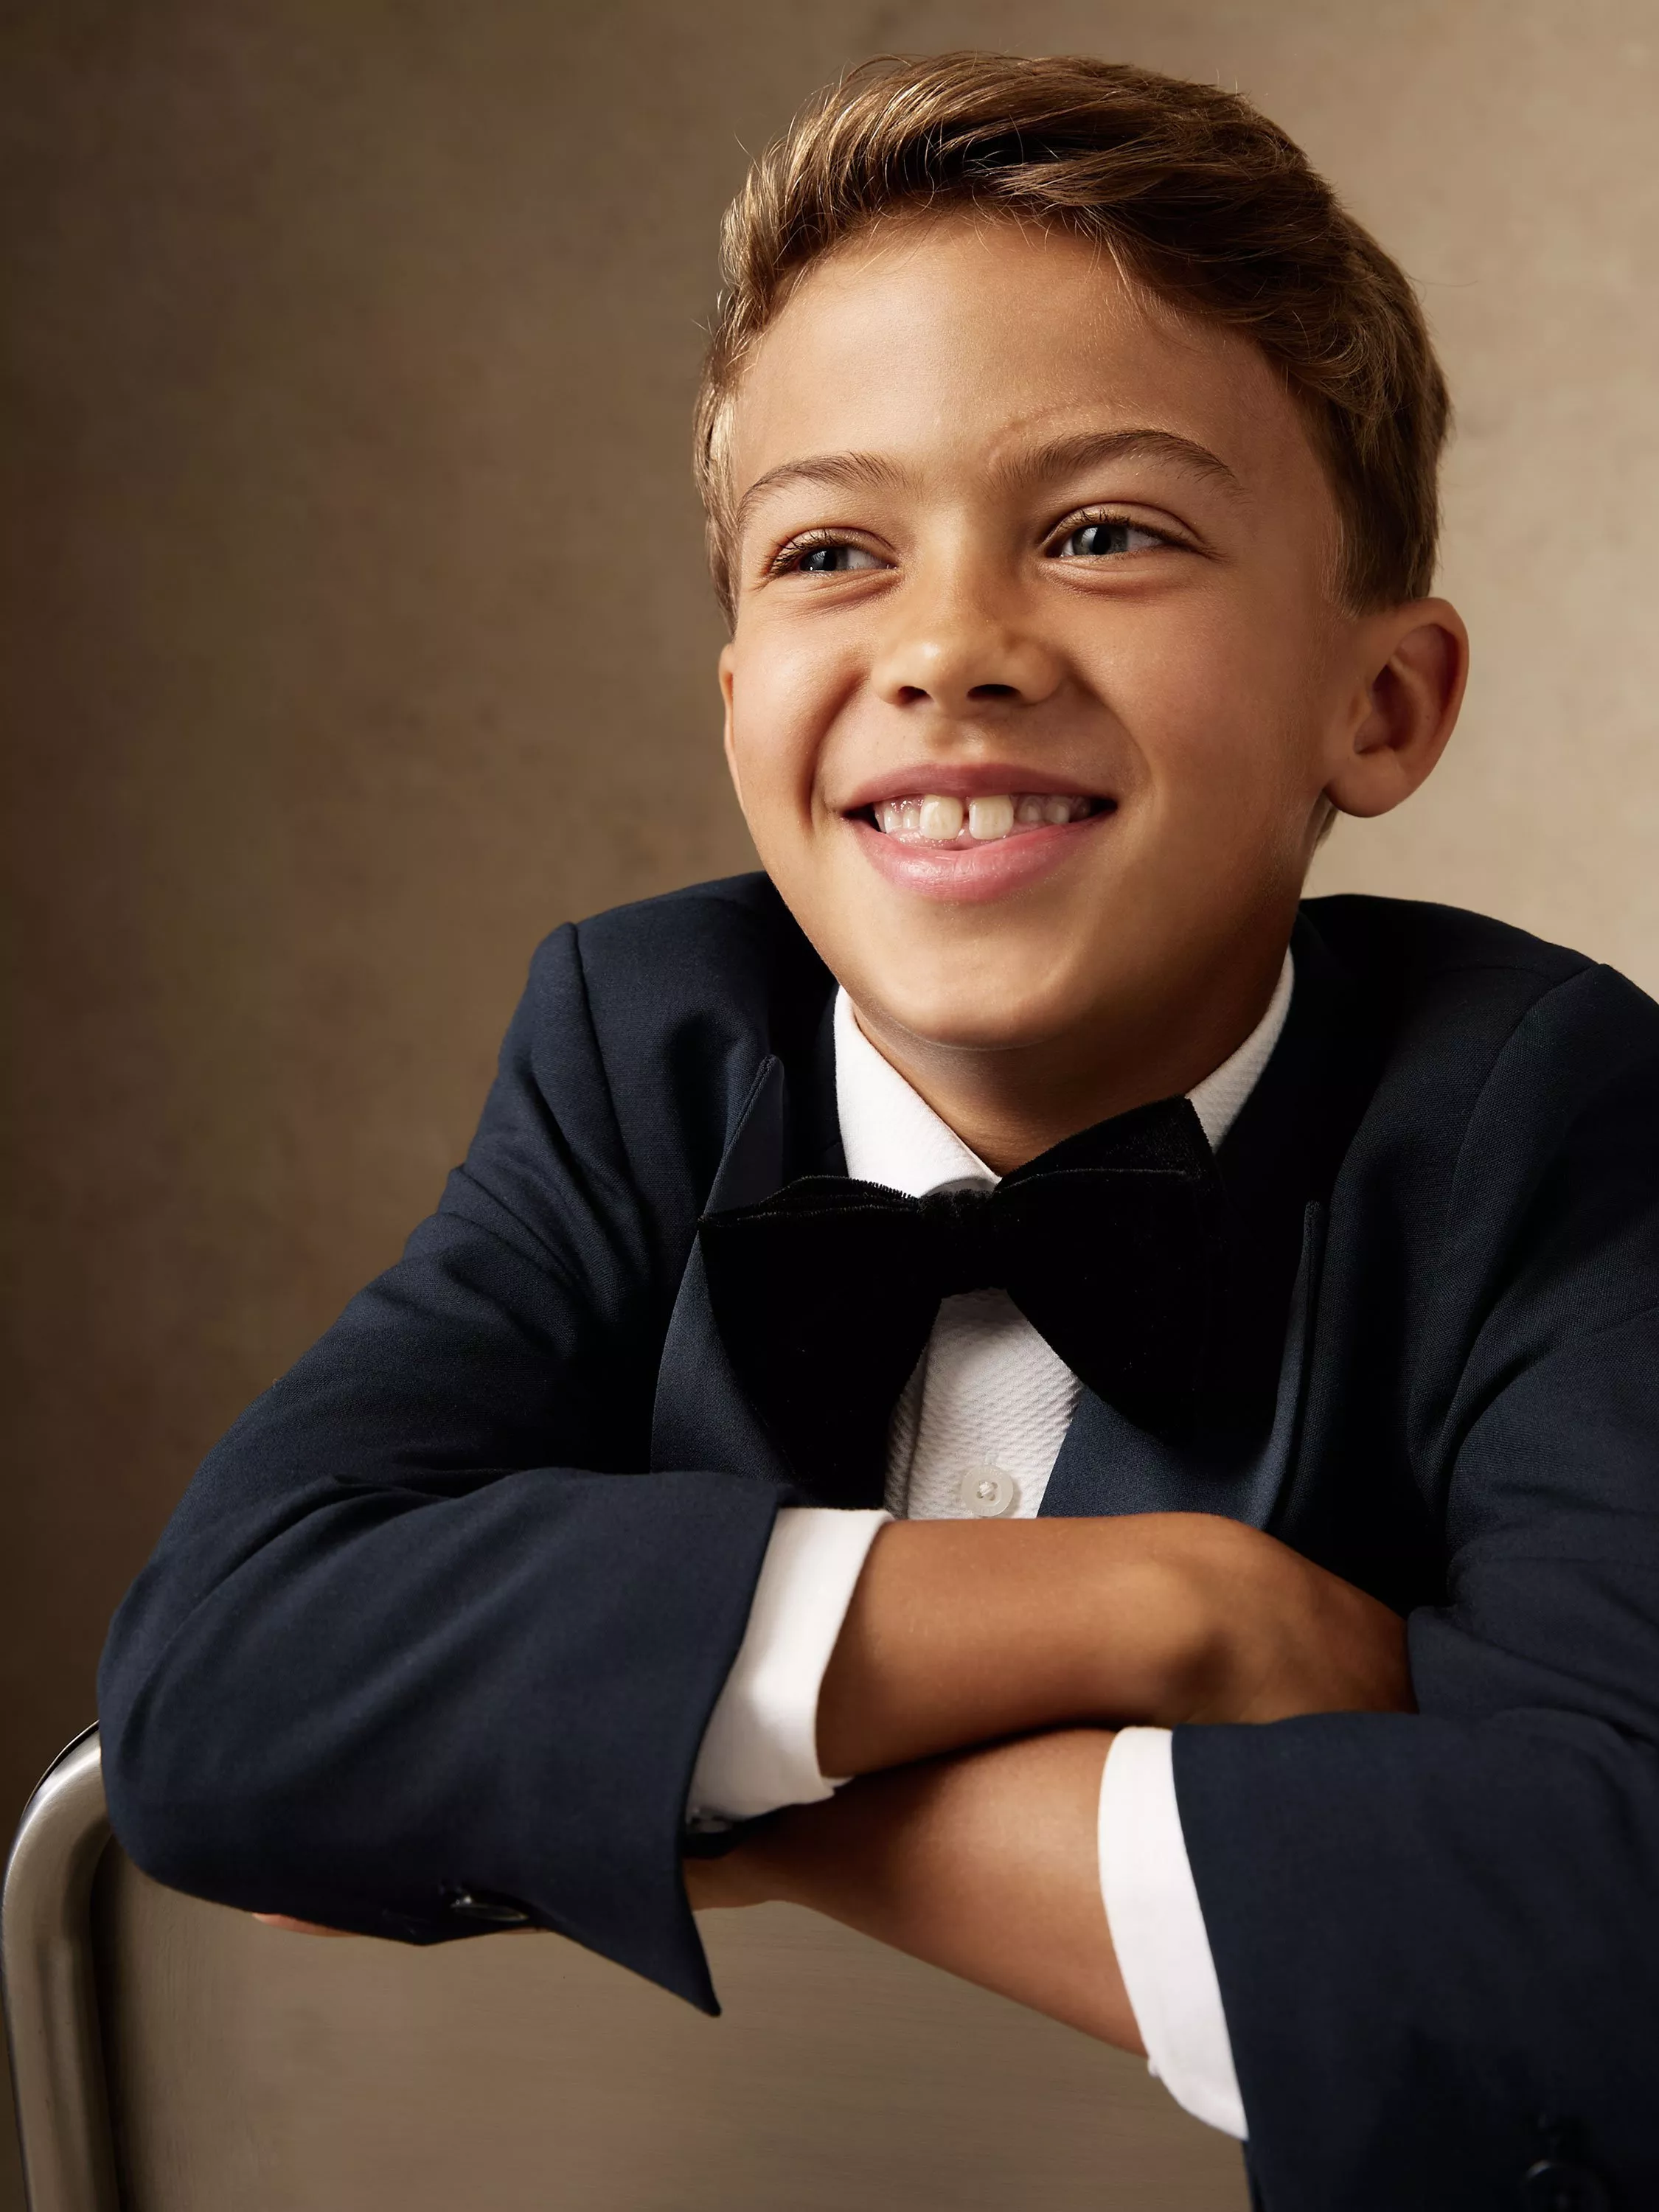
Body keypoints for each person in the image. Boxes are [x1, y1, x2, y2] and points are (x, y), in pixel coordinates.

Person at [97, 52, 1659, 2210]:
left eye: (1106, 531)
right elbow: (218, 1694)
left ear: (1375, 705)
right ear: (737, 684)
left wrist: (761, 1821)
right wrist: (1164, 1614)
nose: (948, 649)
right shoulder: (643, 1055)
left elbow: (1614, 1939)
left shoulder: (1549, 1121)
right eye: (832, 551)